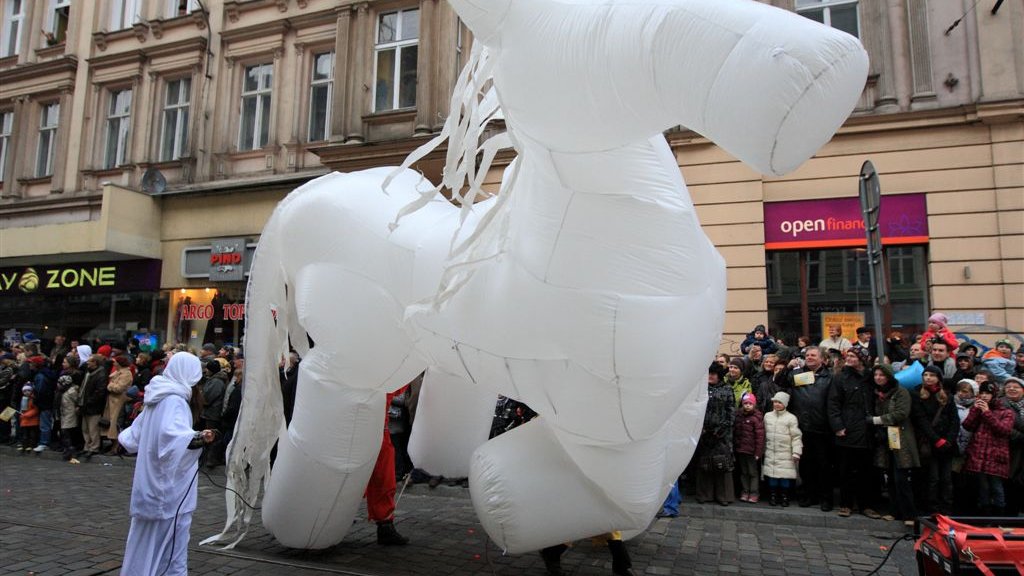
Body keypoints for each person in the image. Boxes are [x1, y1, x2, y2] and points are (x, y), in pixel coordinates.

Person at [118, 352, 218, 576]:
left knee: (144, 545)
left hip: (150, 487)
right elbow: (173, 437)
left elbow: (132, 438)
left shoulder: (158, 397)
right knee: (172, 548)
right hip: (169, 491)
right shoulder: (175, 400)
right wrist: (200, 437)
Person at [827, 347, 880, 519]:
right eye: (848, 355)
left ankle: (867, 505)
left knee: (867, 471)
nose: (849, 358)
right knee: (846, 470)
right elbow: (833, 404)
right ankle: (846, 504)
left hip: (868, 430)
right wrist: (838, 426)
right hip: (847, 430)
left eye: (853, 356)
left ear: (862, 359)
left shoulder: (871, 377)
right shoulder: (841, 377)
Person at [784, 346, 835, 511]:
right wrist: (788, 367)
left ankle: (826, 498)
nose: (810, 357)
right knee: (806, 466)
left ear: (822, 359)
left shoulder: (830, 377)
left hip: (822, 427)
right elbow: (779, 381)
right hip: (802, 426)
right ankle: (808, 495)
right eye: (807, 355)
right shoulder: (797, 374)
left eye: (813, 355)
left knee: (824, 465)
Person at [867, 365, 918, 526]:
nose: (878, 377)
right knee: (889, 476)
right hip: (884, 439)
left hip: (900, 437)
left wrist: (877, 420)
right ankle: (894, 511)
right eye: (876, 374)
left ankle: (909, 514)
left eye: (881, 375)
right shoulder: (876, 393)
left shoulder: (900, 392)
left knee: (901, 477)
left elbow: (901, 413)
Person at [962, 380, 1015, 515]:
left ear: (994, 394)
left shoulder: (1006, 412)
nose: (984, 396)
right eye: (982, 393)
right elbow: (967, 425)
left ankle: (999, 518)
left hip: (996, 456)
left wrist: (987, 413)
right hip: (978, 455)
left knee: (996, 488)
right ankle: (985, 518)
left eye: (988, 393)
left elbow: (1004, 430)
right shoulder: (978, 409)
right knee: (983, 488)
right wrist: (975, 410)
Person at [912, 365, 959, 514]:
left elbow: (954, 420)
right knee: (933, 479)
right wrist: (936, 440)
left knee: (947, 479)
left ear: (938, 378)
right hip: (930, 444)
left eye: (932, 375)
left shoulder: (947, 396)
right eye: (925, 375)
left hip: (947, 445)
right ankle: (932, 509)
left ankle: (946, 509)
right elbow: (921, 420)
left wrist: (949, 440)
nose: (928, 378)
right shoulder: (917, 394)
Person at [695, 362, 735, 505]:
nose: (710, 376)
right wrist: (702, 430)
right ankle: (704, 495)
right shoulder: (701, 389)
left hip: (721, 434)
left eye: (713, 374)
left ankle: (723, 496)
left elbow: (731, 413)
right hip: (703, 432)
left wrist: (720, 432)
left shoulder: (727, 389)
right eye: (708, 373)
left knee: (721, 463)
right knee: (705, 464)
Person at [762, 391, 801, 507]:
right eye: (775, 402)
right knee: (772, 475)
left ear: (785, 404)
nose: (777, 404)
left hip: (785, 452)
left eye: (780, 402)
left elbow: (796, 436)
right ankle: (773, 495)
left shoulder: (791, 418)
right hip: (770, 451)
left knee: (784, 476)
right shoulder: (767, 416)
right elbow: (763, 434)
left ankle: (785, 496)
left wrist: (796, 452)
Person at [733, 392, 765, 503]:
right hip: (741, 450)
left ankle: (754, 492)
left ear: (754, 405)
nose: (747, 405)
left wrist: (758, 452)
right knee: (744, 472)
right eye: (745, 403)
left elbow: (760, 437)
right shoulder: (739, 416)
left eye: (750, 403)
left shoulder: (756, 418)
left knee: (753, 472)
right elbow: (736, 433)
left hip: (752, 451)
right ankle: (745, 491)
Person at [1000, 377, 1024, 516]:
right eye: (1009, 386)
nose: (1012, 389)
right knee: (1010, 482)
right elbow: (1003, 427)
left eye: (1016, 386)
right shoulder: (1000, 405)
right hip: (1009, 449)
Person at [102, 356, 133, 455]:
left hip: (118, 402)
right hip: (112, 401)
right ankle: (113, 445)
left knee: (115, 424)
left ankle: (116, 447)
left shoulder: (126, 374)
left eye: (115, 362)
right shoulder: (117, 372)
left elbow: (119, 388)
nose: (113, 364)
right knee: (110, 424)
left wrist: (110, 385)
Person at [16, 384, 40, 453]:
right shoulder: (23, 399)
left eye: (28, 390)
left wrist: (25, 415)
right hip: (25, 420)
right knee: (25, 434)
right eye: (25, 391)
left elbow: (35, 410)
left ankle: (31, 445)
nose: (27, 392)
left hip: (32, 420)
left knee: (32, 434)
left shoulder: (33, 399)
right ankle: (25, 445)